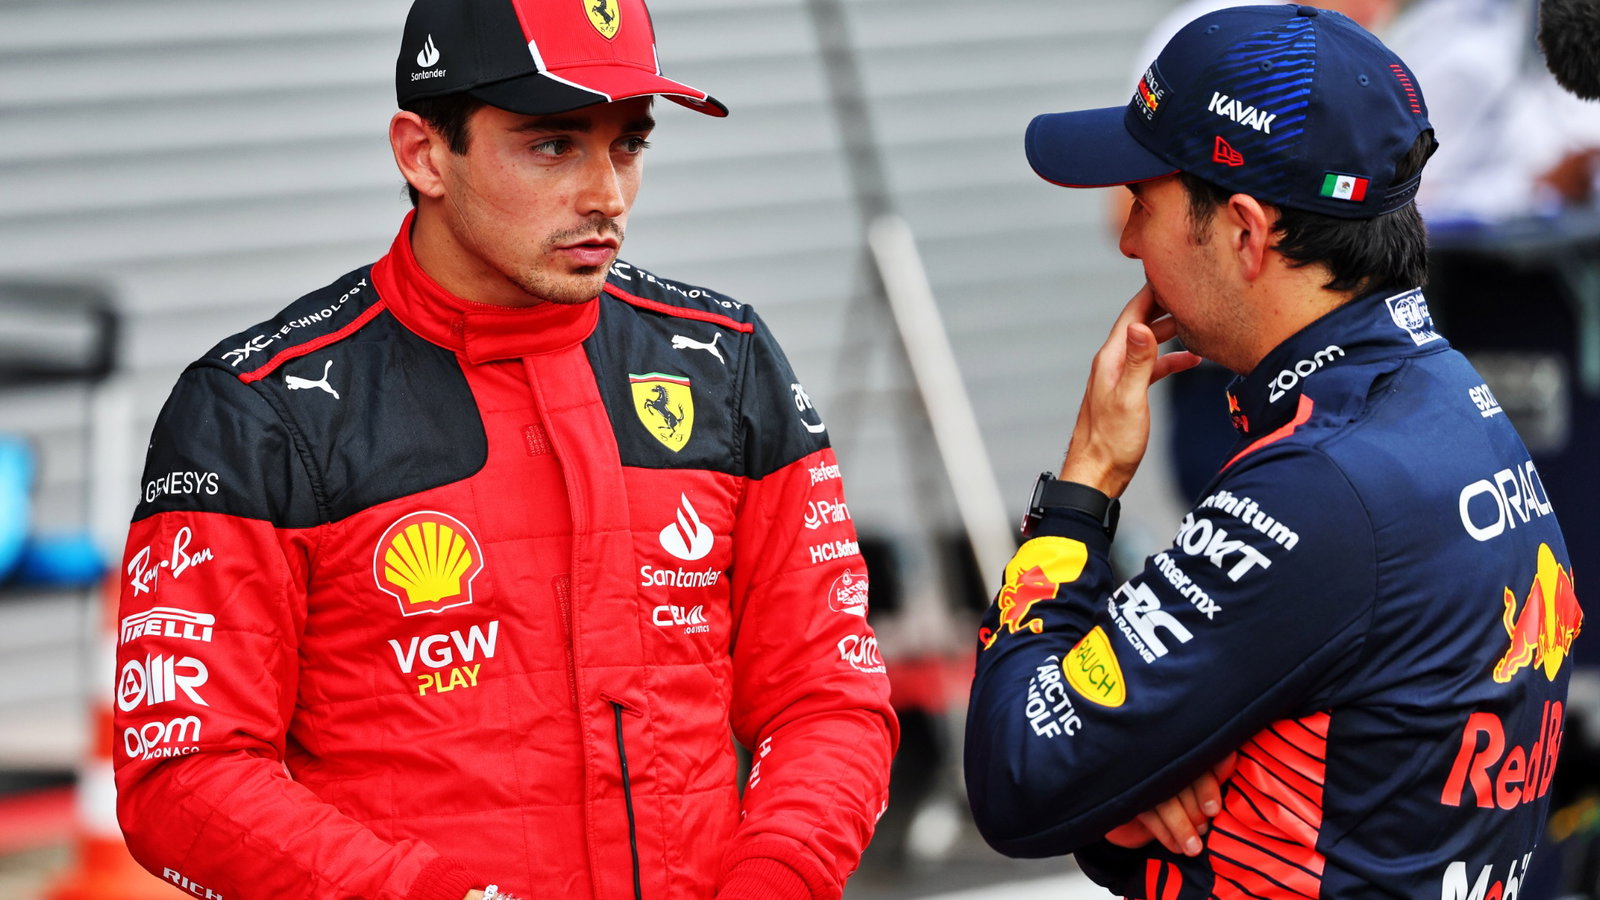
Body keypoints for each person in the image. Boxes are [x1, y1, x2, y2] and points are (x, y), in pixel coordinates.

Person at [111, 1, 897, 898]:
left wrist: (779, 878)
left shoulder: (725, 361)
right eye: (553, 145)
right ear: (421, 153)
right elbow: (183, 775)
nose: (605, 193)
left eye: (629, 144)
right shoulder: (255, 411)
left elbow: (828, 696)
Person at [965, 5, 1583, 898]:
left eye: (1145, 200)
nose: (1131, 240)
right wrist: (1142, 765)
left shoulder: (1321, 488)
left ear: (1248, 233)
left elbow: (1020, 769)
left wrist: (1085, 484)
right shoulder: (1443, 400)